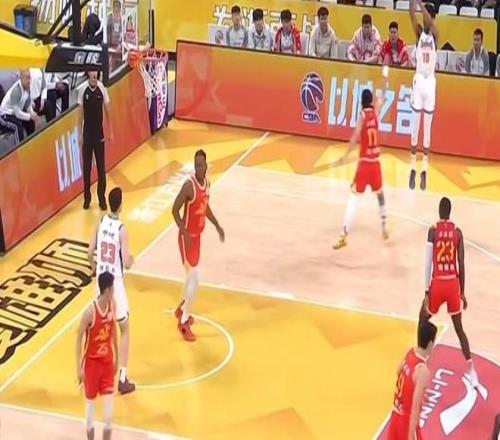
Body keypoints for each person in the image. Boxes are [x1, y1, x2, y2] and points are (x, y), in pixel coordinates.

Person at [419, 197, 478, 386]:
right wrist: (462, 292)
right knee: (459, 329)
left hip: (438, 283)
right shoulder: (458, 233)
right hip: (452, 284)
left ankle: (420, 358)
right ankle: (472, 370)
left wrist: (426, 291)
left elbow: (428, 263)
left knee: (423, 318)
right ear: (450, 212)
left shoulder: (433, 231)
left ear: (439, 211)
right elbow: (461, 264)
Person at [333, 66, 389, 250]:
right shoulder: (376, 111)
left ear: (361, 102)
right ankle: (384, 225)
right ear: (371, 100)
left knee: (353, 197)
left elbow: (355, 137)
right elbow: (384, 93)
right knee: (380, 194)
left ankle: (344, 233)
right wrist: (385, 74)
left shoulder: (362, 116)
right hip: (375, 163)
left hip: (364, 164)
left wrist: (344, 156)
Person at [172, 150, 225, 342]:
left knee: (190, 277)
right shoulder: (189, 186)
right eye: (196, 165)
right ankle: (183, 322)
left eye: (201, 165)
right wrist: (184, 233)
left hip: (197, 238)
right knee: (194, 279)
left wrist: (217, 225)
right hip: (186, 238)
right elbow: (174, 210)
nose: (198, 168)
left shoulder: (207, 184)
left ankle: (181, 308)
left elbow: (205, 206)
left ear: (206, 165)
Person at [88, 187, 136, 394]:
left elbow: (89, 251)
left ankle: (94, 376)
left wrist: (94, 269)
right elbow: (126, 262)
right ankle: (122, 378)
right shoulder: (121, 229)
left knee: (98, 329)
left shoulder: (100, 222)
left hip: (100, 282)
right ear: (121, 205)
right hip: (115, 284)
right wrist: (132, 259)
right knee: (124, 328)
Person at [76, 272, 117, 440]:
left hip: (107, 363)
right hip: (92, 364)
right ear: (107, 290)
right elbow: (79, 337)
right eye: (113, 288)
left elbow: (114, 330)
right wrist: (78, 368)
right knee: (90, 414)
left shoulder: (112, 305)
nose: (114, 290)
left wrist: (116, 357)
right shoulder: (90, 312)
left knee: (108, 417)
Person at [387, 321, 437, 440]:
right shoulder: (422, 371)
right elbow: (415, 409)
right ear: (430, 344)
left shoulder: (410, 352)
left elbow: (398, 371)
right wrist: (410, 437)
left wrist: (408, 390)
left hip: (395, 416)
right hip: (407, 423)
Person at [408, 0, 438, 191]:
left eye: (428, 16)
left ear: (432, 17)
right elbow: (411, 15)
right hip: (419, 80)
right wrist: (413, 3)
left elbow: (427, 19)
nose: (425, 19)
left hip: (430, 82)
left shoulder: (435, 33)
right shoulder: (419, 32)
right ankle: (412, 167)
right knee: (415, 127)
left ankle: (424, 170)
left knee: (427, 130)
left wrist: (421, 5)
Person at [78, 72, 113, 210]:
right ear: (88, 73)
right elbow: (80, 113)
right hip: (87, 135)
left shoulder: (101, 88)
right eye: (92, 71)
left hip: (99, 135)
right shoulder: (83, 89)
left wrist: (111, 130)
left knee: (101, 169)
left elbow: (108, 110)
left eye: (96, 72)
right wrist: (79, 134)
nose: (94, 74)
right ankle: (87, 198)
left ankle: (101, 199)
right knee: (86, 169)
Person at [0, 70, 40, 144]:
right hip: (4, 116)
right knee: (17, 126)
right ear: (21, 78)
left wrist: (33, 114)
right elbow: (18, 114)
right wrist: (30, 116)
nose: (29, 81)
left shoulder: (27, 88)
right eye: (27, 78)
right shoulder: (16, 91)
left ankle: (31, 143)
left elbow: (28, 105)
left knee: (30, 121)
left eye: (29, 78)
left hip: (14, 114)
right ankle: (20, 147)